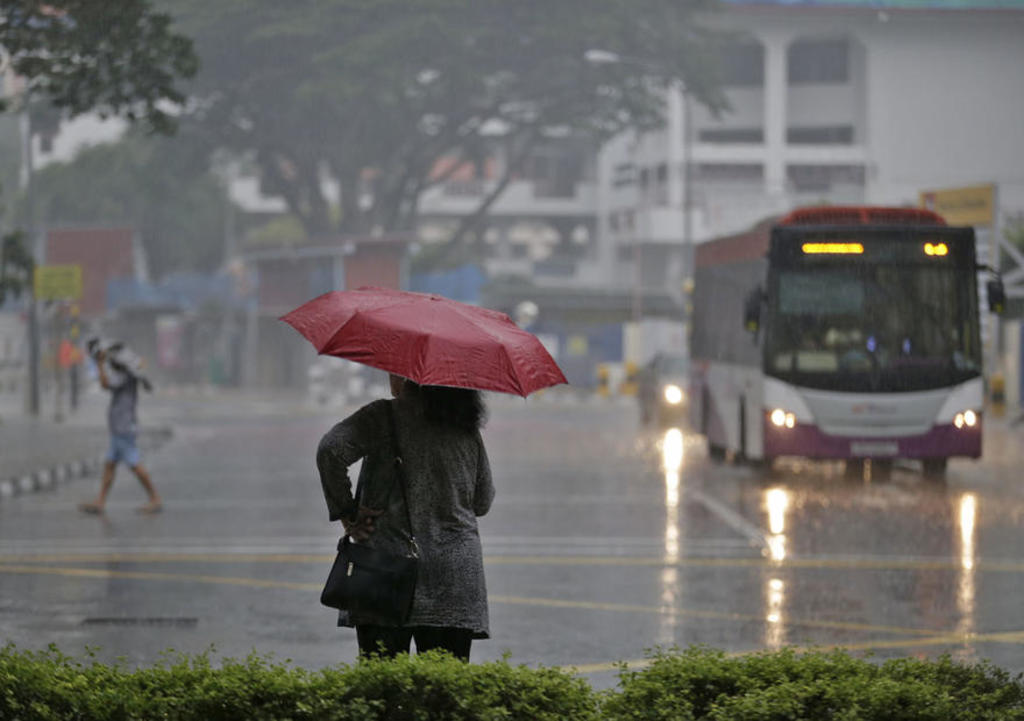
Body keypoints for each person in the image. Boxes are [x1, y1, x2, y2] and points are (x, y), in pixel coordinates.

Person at [316, 373, 494, 661]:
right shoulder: (464, 424)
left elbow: (330, 450)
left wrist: (348, 514)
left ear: (405, 375)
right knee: (444, 684)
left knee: (383, 681)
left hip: (385, 569)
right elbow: (482, 501)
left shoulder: (382, 416)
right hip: (454, 577)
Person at [78, 341, 162, 515]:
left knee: (135, 465)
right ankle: (100, 502)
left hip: (124, 428)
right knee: (109, 465)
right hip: (119, 428)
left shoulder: (124, 376)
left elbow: (105, 384)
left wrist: (100, 363)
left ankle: (155, 498)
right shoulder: (126, 375)